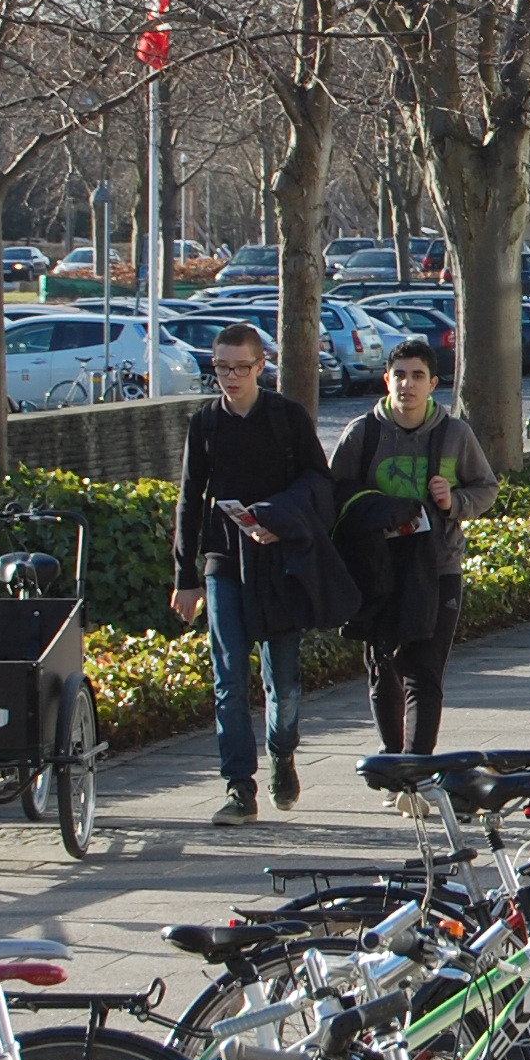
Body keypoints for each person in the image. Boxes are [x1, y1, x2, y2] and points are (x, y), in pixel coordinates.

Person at [171, 323, 331, 825]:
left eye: (241, 367)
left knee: (282, 683)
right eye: (221, 367)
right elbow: (189, 500)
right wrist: (186, 576)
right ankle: (239, 786)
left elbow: (318, 483)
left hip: (278, 562)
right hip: (224, 562)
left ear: (262, 366)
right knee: (228, 679)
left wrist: (279, 520)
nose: (230, 377)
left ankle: (282, 752)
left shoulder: (287, 418)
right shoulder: (205, 424)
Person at [328, 340, 497, 768]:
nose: (408, 384)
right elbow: (333, 498)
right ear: (387, 381)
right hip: (377, 570)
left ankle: (417, 770)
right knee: (384, 667)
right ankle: (392, 761)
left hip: (437, 568)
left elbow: (486, 489)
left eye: (417, 376)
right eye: (399, 375)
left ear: (433, 384)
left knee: (424, 672)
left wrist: (452, 500)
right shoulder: (361, 435)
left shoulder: (454, 434)